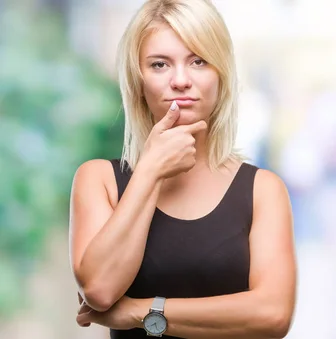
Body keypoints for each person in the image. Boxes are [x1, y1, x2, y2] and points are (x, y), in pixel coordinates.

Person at [68, 1, 297, 338]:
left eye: (198, 61)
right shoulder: (98, 180)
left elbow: (273, 314)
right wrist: (150, 171)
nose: (180, 80)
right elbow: (100, 290)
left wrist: (140, 311)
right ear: (138, 80)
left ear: (220, 73)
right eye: (159, 64)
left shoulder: (262, 189)